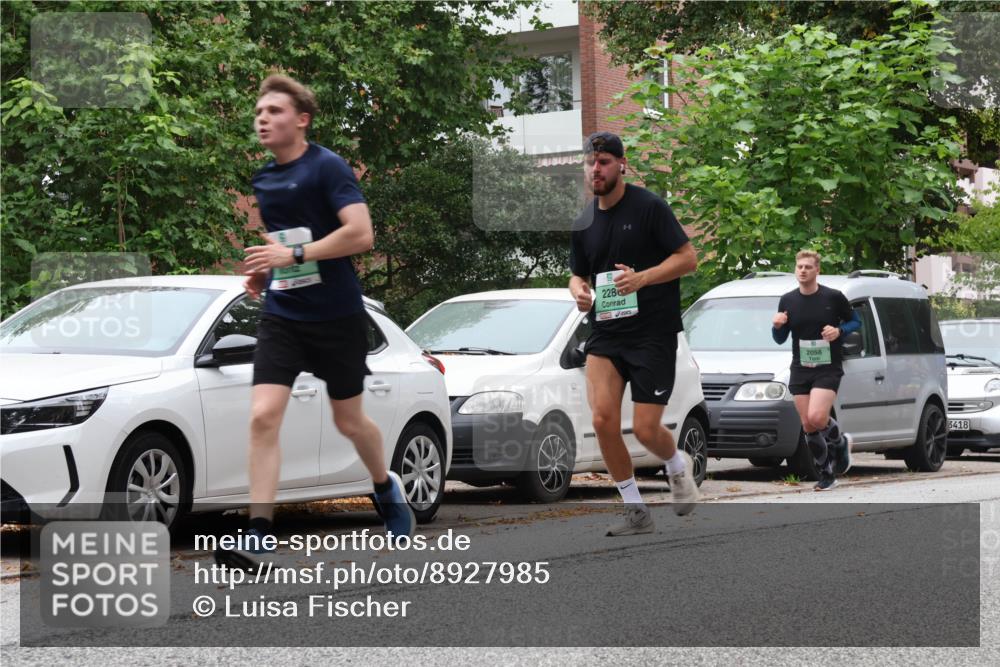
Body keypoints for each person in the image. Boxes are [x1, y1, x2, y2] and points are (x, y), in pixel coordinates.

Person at [214, 74, 413, 570]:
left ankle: (385, 487)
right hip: (284, 314)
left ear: (301, 120)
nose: (263, 118)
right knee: (262, 416)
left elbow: (361, 235)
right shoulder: (264, 179)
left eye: (274, 111)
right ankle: (258, 532)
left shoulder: (328, 167)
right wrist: (267, 271)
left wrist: (294, 252)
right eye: (259, 112)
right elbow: (285, 244)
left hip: (337, 314)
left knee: (349, 420)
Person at [568, 131, 701, 536]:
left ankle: (677, 466)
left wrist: (644, 278)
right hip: (607, 332)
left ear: (621, 165)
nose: (596, 169)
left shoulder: (649, 208)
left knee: (645, 429)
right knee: (603, 418)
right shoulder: (584, 221)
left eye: (604, 162)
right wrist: (579, 291)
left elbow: (688, 258)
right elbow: (577, 273)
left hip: (653, 333)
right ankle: (635, 510)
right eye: (591, 162)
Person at [772, 250, 862, 491]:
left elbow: (856, 322)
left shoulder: (833, 297)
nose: (802, 270)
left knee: (817, 417)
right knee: (808, 426)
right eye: (799, 266)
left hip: (827, 367)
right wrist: (777, 325)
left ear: (817, 270)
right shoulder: (788, 300)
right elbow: (780, 338)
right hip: (801, 367)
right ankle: (826, 474)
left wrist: (839, 331)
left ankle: (840, 443)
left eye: (808, 267)